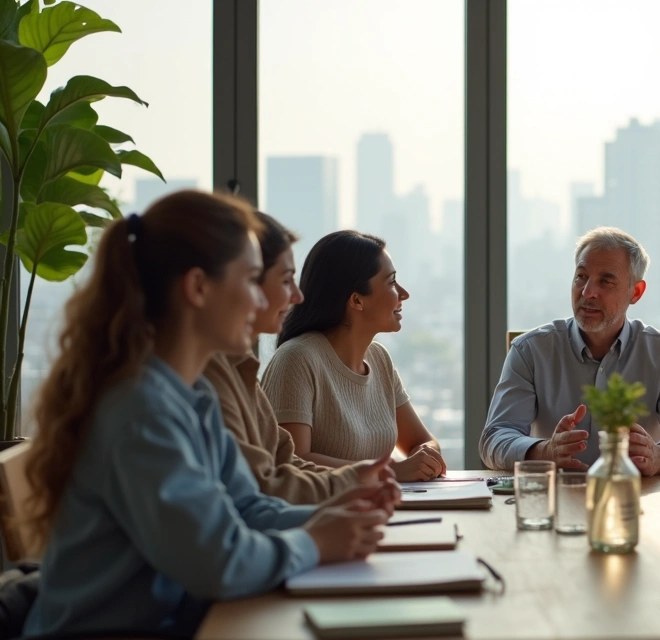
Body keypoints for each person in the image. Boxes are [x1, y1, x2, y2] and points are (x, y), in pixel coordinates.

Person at [23, 191, 394, 638]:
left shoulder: (190, 394)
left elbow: (246, 508)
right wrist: (315, 541)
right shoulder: (141, 411)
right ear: (198, 287)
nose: (263, 301)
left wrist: (340, 516)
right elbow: (219, 563)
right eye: (252, 280)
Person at [480, 227, 660, 475]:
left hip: (635, 492)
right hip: (556, 493)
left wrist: (659, 457)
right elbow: (495, 438)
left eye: (606, 281)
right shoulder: (530, 351)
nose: (587, 292)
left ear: (636, 292)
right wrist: (545, 451)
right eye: (581, 276)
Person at [203, 212, 396, 503]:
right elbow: (254, 496)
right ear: (201, 287)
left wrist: (364, 481)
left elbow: (283, 464)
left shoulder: (236, 370)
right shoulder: (196, 386)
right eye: (284, 280)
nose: (297, 296)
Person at [262, 230, 447, 482]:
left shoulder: (379, 359)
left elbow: (423, 441)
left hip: (379, 504)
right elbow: (292, 462)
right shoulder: (296, 358)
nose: (404, 293)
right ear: (357, 300)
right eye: (392, 282)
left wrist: (424, 457)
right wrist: (390, 472)